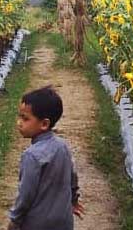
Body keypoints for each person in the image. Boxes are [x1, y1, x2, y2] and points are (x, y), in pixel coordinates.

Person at [7, 86, 85, 230]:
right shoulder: (63, 146)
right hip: (63, 221)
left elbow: (26, 194)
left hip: (36, 223)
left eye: (25, 118)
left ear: (44, 124)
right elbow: (72, 178)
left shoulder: (31, 156)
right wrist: (73, 200)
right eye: (19, 116)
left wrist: (15, 220)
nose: (19, 122)